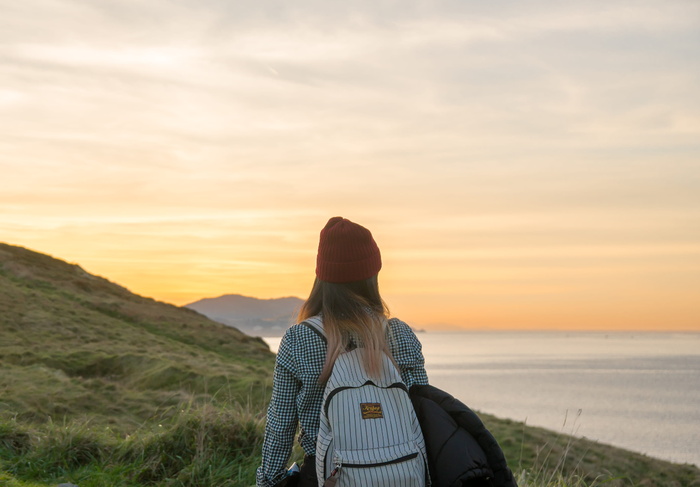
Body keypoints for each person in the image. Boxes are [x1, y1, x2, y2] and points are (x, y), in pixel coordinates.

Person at [256, 216, 429, 487]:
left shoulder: (299, 339)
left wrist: (269, 482)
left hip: (326, 477)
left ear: (322, 276)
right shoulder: (400, 335)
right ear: (373, 275)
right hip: (403, 473)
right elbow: (425, 416)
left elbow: (281, 426)